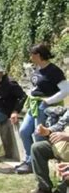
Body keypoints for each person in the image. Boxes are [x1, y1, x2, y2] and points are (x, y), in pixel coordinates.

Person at [15, 44, 68, 175]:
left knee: (38, 135)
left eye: (32, 54)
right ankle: (29, 161)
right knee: (24, 131)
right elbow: (36, 86)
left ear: (39, 55)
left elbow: (66, 89)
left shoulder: (54, 71)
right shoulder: (38, 69)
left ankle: (39, 167)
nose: (30, 57)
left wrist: (47, 101)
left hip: (45, 106)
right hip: (34, 104)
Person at [26, 107, 69, 193]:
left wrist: (67, 136)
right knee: (38, 148)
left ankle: (62, 191)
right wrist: (47, 131)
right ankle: (44, 188)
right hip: (61, 146)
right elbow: (60, 124)